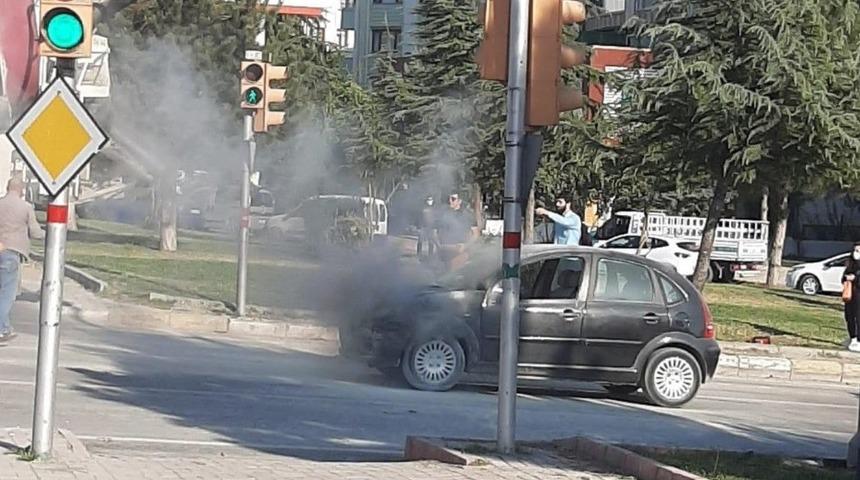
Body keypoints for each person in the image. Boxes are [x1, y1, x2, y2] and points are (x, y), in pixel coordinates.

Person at [0, 176, 44, 343]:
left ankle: (4, 326)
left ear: (7, 187)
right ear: (22, 190)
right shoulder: (25, 207)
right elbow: (35, 232)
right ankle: (2, 329)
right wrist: (49, 235)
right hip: (11, 252)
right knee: (7, 293)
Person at [435, 193, 478, 270]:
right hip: (444, 251)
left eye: (453, 199)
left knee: (454, 276)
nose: (450, 201)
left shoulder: (468, 215)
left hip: (459, 251)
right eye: (449, 198)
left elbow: (476, 234)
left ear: (459, 201)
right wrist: (438, 244)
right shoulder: (443, 214)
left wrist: (465, 246)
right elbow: (436, 231)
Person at [843, 242, 860, 352]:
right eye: (855, 250)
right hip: (850, 295)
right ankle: (852, 337)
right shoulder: (850, 263)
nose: (856, 253)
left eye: (858, 251)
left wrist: (855, 279)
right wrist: (846, 278)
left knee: (858, 317)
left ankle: (858, 339)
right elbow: (843, 278)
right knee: (849, 316)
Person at [417, 196, 436, 260]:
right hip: (423, 227)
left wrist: (435, 227)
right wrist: (419, 226)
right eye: (429, 200)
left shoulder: (434, 209)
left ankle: (430, 255)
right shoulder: (423, 208)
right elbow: (419, 218)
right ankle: (419, 254)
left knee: (431, 242)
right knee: (420, 240)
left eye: (431, 200)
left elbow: (436, 218)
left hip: (431, 228)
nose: (430, 201)